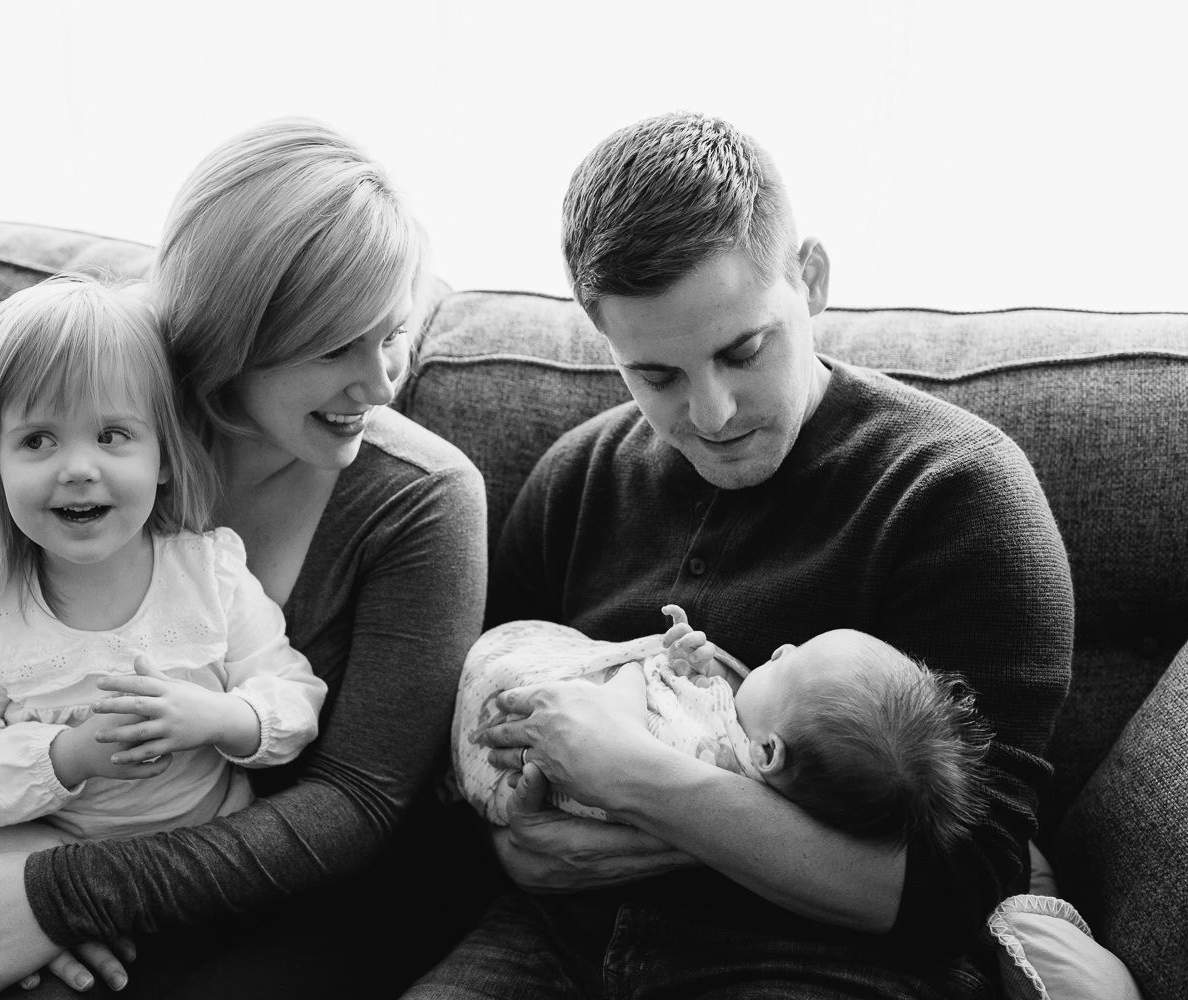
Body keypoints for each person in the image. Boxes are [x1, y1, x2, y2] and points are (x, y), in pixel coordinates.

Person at [407, 112, 1073, 999]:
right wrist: (515, 845)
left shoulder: (955, 492)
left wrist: (647, 787)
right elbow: (460, 757)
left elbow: (962, 882)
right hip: (554, 940)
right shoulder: (574, 482)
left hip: (812, 955)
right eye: (658, 376)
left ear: (812, 279)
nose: (712, 414)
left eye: (741, 350)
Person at [0, 119, 494, 1000]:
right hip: (92, 857)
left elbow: (355, 807)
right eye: (337, 345)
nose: (381, 383)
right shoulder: (94, 432)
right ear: (236, 335)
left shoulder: (423, 502)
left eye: (394, 334)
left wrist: (58, 893)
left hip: (331, 899)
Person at [0, 274, 327, 875]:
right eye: (38, 440)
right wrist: (68, 756)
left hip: (208, 862)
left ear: (163, 456)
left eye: (112, 435)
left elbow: (296, 696)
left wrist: (219, 717)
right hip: (62, 870)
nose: (78, 468)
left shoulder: (210, 573)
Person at [454, 607, 991, 861]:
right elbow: (706, 706)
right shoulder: (752, 750)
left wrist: (643, 668)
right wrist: (697, 670)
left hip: (506, 738)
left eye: (791, 663)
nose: (781, 649)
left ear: (767, 752)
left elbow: (626, 724)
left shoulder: (705, 760)